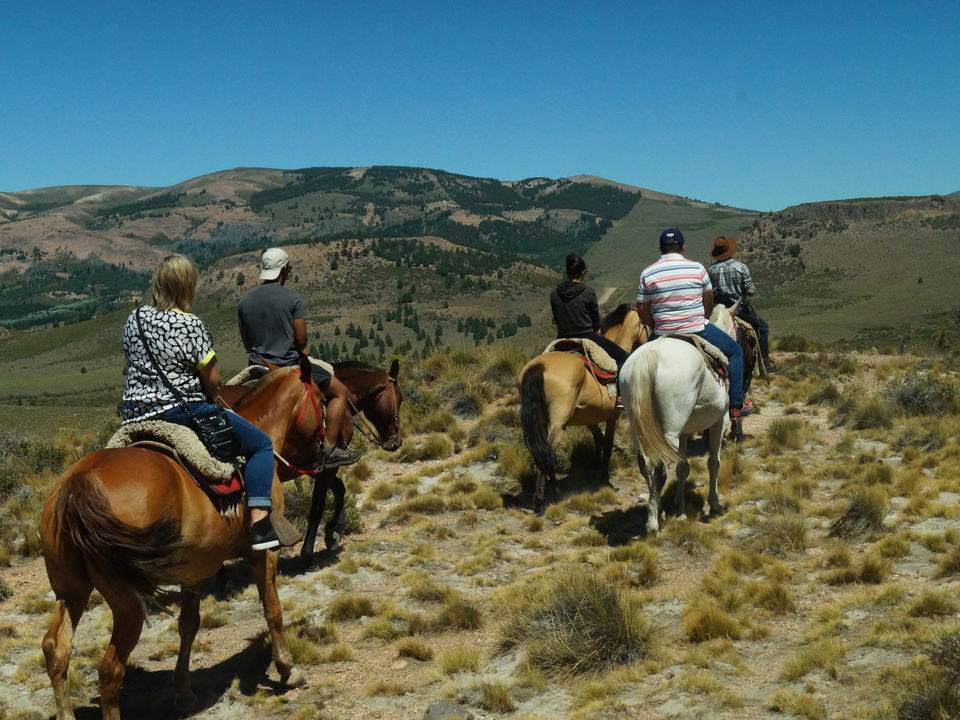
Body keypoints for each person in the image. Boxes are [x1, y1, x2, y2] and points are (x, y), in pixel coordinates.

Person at [120, 254, 280, 550]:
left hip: (133, 414)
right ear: (188, 285)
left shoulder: (135, 319)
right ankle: (259, 521)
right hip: (180, 412)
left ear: (158, 282)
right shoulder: (191, 325)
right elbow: (214, 382)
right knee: (261, 445)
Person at [237, 248, 359, 469]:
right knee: (340, 392)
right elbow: (301, 341)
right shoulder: (293, 299)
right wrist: (302, 350)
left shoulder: (245, 301)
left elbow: (247, 344)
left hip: (256, 367)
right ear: (285, 269)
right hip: (287, 367)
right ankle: (330, 449)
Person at [636, 229, 752, 421]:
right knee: (735, 352)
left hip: (662, 332)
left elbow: (642, 310)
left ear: (660, 249)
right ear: (683, 247)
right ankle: (736, 405)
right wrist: (700, 318)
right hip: (696, 328)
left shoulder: (647, 273)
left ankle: (623, 398)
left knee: (634, 361)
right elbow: (708, 302)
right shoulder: (697, 268)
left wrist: (658, 324)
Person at [550, 253, 630, 408]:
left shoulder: (554, 294)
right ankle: (620, 397)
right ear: (583, 272)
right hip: (587, 336)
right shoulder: (588, 293)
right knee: (623, 357)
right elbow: (595, 322)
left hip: (561, 338)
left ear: (567, 272)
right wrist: (597, 329)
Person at [707, 236, 774, 372]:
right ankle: (764, 365)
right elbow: (750, 291)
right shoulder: (741, 267)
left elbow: (710, 292)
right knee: (763, 327)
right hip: (740, 311)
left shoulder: (711, 270)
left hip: (718, 312)